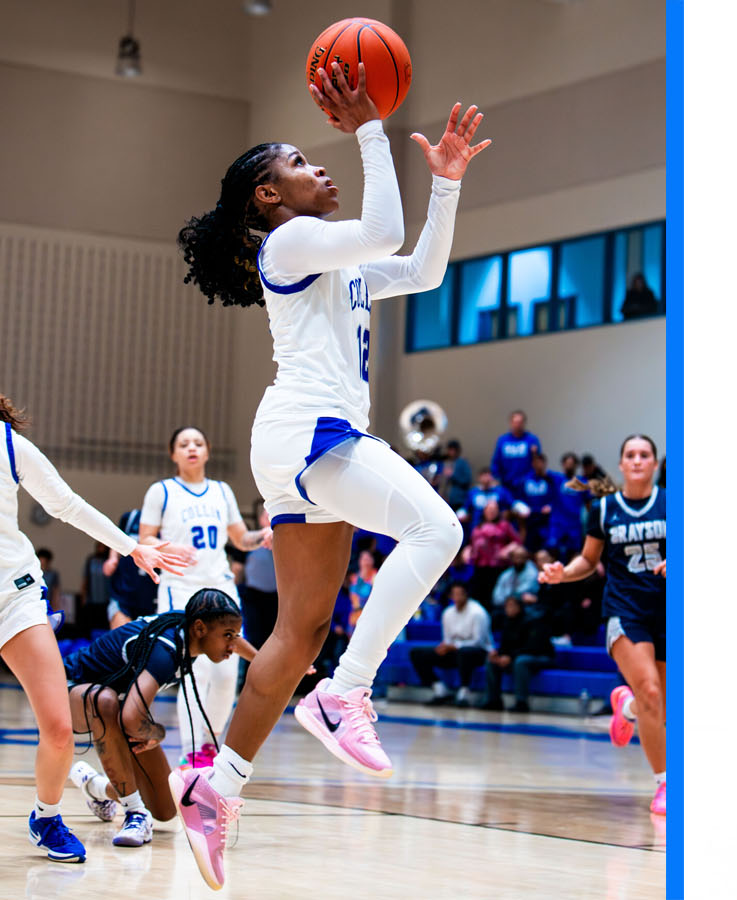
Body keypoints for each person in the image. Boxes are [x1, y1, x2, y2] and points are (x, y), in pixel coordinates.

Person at [172, 58, 488, 890]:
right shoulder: (289, 242)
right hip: (313, 432)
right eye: (301, 164)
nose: (320, 168)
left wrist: (446, 184)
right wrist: (371, 130)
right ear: (269, 196)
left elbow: (420, 269)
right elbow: (382, 231)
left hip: (299, 446)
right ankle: (346, 693)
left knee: (298, 634)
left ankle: (216, 789)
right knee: (439, 528)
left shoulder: (332, 261)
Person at [0, 395, 189, 862]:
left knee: (59, 729)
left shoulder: (9, 444)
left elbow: (66, 504)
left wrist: (131, 548)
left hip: (14, 596)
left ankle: (46, 818)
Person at [65, 590, 253, 850]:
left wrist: (265, 662)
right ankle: (134, 814)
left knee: (165, 809)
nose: (233, 645)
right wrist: (157, 733)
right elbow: (132, 719)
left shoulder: (190, 627)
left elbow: (132, 717)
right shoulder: (166, 651)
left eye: (236, 635)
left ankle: (96, 787)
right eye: (228, 636)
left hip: (117, 706)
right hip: (68, 693)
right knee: (107, 702)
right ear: (200, 629)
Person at [539, 435, 666, 814]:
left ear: (655, 463)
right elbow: (588, 560)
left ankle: (626, 708)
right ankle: (666, 783)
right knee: (651, 691)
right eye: (631, 455)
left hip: (668, 611)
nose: (638, 460)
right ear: (622, 464)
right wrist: (564, 574)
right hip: (625, 610)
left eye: (645, 455)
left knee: (659, 703)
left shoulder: (673, 503)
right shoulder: (604, 508)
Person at [137, 426, 271, 770]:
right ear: (173, 454)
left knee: (226, 673)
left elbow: (240, 539)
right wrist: (168, 547)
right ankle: (192, 749)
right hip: (180, 589)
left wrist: (264, 535)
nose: (192, 448)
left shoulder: (222, 491)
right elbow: (144, 539)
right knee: (195, 671)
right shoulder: (162, 491)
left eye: (198, 443)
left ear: (208, 451)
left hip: (220, 589)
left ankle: (209, 744)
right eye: (184, 444)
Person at [410, 583, 492, 706]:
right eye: (454, 594)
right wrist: (445, 646)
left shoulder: (478, 613)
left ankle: (464, 692)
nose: (456, 597)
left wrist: (455, 646)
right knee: (417, 653)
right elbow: (447, 638)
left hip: (479, 653)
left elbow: (478, 641)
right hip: (454, 652)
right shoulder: (448, 613)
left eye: (459, 594)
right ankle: (440, 690)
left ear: (466, 595)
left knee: (464, 652)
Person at [483, 594, 554, 712]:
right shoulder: (507, 622)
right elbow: (505, 646)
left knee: (521, 662)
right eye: (507, 606)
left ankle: (521, 702)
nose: (509, 609)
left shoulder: (533, 620)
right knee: (491, 661)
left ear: (520, 606)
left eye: (512, 605)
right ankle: (494, 700)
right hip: (517, 657)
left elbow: (532, 647)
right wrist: (498, 655)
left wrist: (510, 657)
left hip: (542, 656)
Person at [239, 502, 278, 684]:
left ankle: (270, 680)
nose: (269, 518)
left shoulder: (284, 540)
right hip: (253, 597)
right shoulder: (252, 542)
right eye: (266, 515)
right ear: (262, 519)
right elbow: (238, 569)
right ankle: (248, 680)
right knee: (253, 639)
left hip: (276, 598)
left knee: (274, 641)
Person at [104, 510, 160, 630]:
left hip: (153, 598)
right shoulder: (131, 517)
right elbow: (117, 538)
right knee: (123, 636)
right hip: (124, 595)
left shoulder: (169, 523)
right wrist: (112, 558)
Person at [468, 500, 520, 605]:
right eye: (489, 509)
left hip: (498, 566)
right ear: (484, 511)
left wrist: (507, 550)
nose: (491, 511)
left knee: (496, 596)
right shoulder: (478, 526)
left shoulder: (504, 525)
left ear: (498, 511)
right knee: (480, 595)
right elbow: (471, 543)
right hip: (480, 566)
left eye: (494, 509)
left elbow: (517, 541)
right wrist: (468, 551)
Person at [490, 410, 541, 498]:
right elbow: (496, 461)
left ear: (524, 423)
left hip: (526, 484)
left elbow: (538, 463)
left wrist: (531, 477)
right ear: (511, 423)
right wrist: (495, 477)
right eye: (515, 422)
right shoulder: (503, 440)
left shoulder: (532, 440)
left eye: (520, 422)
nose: (518, 425)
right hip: (506, 483)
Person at [491, 543, 539, 625]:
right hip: (505, 607)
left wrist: (512, 599)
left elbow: (521, 593)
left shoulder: (532, 573)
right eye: (516, 557)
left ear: (526, 558)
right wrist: (507, 602)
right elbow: (496, 597)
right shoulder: (506, 574)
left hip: (525, 609)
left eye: (521, 557)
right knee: (495, 615)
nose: (518, 560)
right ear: (511, 558)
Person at [440, 439, 473, 511]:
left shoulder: (462, 463)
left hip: (458, 500)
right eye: (450, 450)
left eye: (453, 450)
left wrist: (452, 475)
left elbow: (467, 479)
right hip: (445, 499)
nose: (451, 452)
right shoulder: (446, 462)